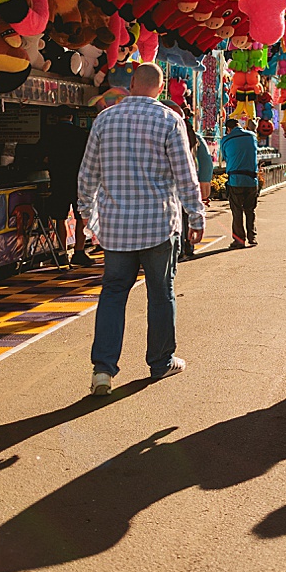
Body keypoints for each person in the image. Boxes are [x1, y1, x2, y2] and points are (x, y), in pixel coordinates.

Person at [78, 64, 205, 396]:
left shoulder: (104, 120)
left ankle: (103, 370)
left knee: (113, 294)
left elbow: (87, 175)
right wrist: (197, 216)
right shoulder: (168, 120)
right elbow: (185, 176)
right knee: (161, 294)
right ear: (160, 89)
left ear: (132, 84)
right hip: (159, 226)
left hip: (116, 229)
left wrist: (87, 215)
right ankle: (160, 362)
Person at [47, 118, 92, 267]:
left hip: (58, 181)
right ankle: (79, 252)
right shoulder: (80, 134)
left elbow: (40, 153)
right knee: (80, 217)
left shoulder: (51, 134)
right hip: (78, 181)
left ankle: (61, 253)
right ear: (71, 117)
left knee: (61, 218)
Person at [220, 117, 260, 248]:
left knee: (237, 211)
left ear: (228, 129)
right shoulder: (252, 136)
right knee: (250, 210)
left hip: (235, 180)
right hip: (251, 180)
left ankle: (239, 240)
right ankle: (252, 237)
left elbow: (225, 157)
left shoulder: (226, 140)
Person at [181, 117, 215, 262]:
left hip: (169, 185)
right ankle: (188, 246)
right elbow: (207, 161)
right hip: (190, 181)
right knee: (187, 215)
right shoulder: (196, 137)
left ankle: (180, 247)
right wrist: (204, 183)